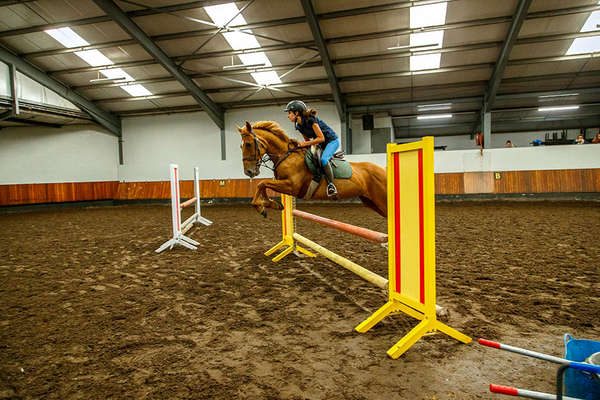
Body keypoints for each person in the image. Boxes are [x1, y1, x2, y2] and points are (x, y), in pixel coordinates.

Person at [284, 100, 340, 197]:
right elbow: (307, 141)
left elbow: (321, 138)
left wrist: (303, 143)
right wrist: (297, 143)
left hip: (331, 142)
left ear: (296, 113)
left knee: (323, 159)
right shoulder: (298, 126)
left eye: (289, 113)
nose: (288, 116)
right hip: (320, 144)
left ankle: (331, 185)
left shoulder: (311, 121)